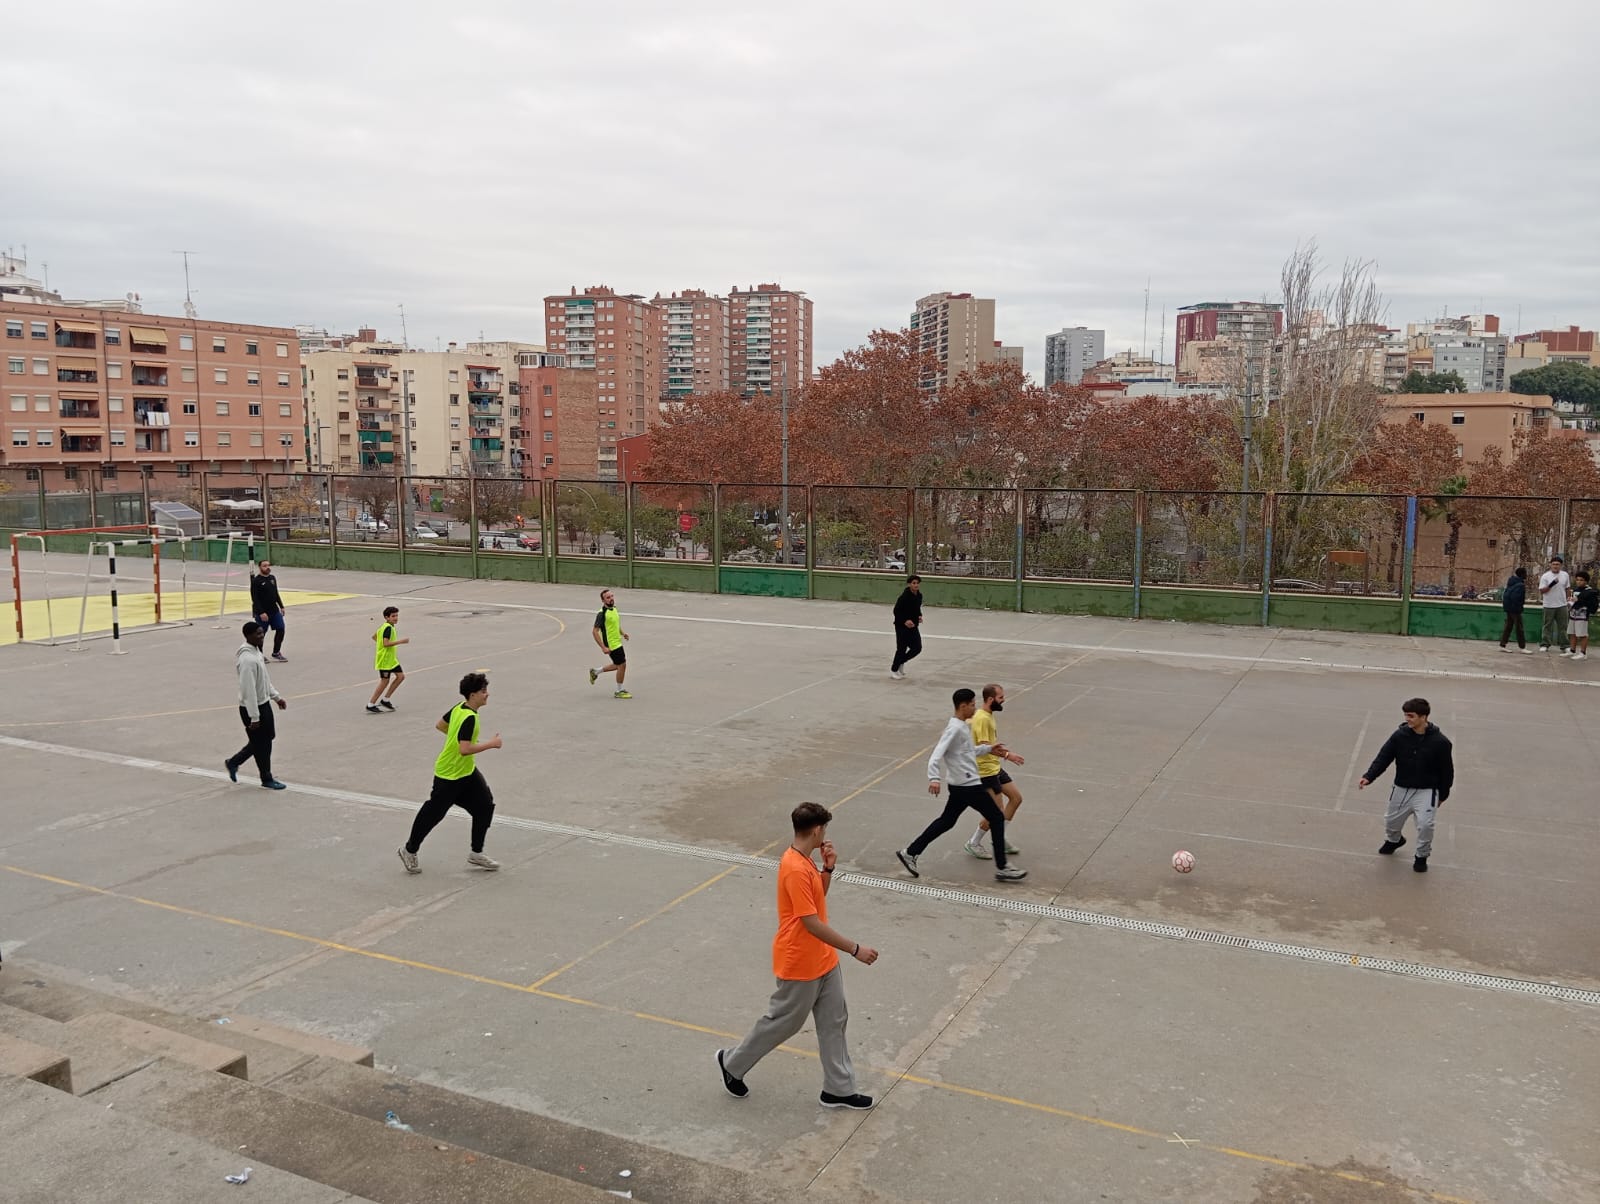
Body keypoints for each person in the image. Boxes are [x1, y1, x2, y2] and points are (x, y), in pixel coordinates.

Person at [717, 802, 878, 1110]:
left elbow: (816, 899)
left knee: (834, 1021)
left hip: (824, 959)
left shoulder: (806, 861)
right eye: (825, 829)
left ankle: (838, 1089)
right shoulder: (793, 867)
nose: (825, 834)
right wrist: (855, 949)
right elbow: (811, 923)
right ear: (816, 830)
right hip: (800, 961)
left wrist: (827, 869)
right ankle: (732, 1064)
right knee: (784, 1022)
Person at [898, 689, 1027, 882]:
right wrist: (934, 778)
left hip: (960, 785)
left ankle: (910, 852)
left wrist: (988, 748)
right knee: (996, 817)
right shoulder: (954, 729)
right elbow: (936, 755)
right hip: (967, 785)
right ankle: (1002, 867)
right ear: (963, 706)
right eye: (972, 705)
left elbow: (967, 751)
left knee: (947, 821)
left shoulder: (962, 726)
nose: (975, 708)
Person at [397, 672, 502, 874]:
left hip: (467, 772)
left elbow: (441, 725)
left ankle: (476, 853)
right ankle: (409, 850)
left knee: (485, 806)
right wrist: (491, 743)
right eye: (483, 691)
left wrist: (457, 738)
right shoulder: (469, 717)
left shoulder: (460, 707)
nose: (487, 694)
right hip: (450, 774)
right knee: (433, 814)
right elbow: (464, 749)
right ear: (472, 695)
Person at [1357, 697, 1454, 873]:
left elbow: (1447, 771)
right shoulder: (1399, 736)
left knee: (1425, 825)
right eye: (1405, 715)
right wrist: (1369, 776)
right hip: (1401, 788)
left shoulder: (1441, 743)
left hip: (1427, 791)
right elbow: (1384, 757)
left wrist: (1443, 795)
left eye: (1411, 716)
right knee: (1390, 822)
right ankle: (1395, 840)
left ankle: (1421, 857)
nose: (1407, 719)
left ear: (1423, 717)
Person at [964, 683, 1026, 860]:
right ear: (990, 699)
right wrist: (1008, 755)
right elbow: (986, 747)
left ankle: (999, 838)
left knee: (1016, 798)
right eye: (1001, 697)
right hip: (985, 771)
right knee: (996, 812)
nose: (1004, 700)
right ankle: (973, 843)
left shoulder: (987, 715)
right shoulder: (982, 719)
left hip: (995, 767)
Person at [225, 620, 287, 790]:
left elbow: (264, 680)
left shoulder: (256, 652)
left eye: (262, 633)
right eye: (258, 634)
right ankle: (266, 778)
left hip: (263, 703)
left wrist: (276, 697)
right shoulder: (247, 660)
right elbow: (249, 691)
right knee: (263, 743)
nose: (261, 636)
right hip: (252, 708)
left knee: (266, 738)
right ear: (248, 636)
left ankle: (234, 762)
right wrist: (254, 716)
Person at [589, 588, 631, 699]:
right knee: (622, 665)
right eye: (608, 597)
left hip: (617, 641)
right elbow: (595, 631)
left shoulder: (614, 609)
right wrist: (603, 647)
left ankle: (595, 672)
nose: (611, 599)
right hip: (611, 644)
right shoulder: (602, 614)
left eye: (612, 596)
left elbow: (615, 625)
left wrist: (623, 633)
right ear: (603, 601)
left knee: (618, 664)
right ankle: (619, 691)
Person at [366, 606, 409, 713]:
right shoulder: (388, 628)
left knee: (400, 677)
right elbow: (386, 644)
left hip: (391, 660)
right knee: (384, 681)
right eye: (393, 616)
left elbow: (374, 637)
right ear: (387, 617)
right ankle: (371, 704)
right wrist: (401, 642)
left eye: (396, 615)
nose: (396, 618)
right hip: (385, 660)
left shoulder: (385, 626)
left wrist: (380, 645)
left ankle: (385, 700)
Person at [250, 559, 288, 662]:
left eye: (268, 565)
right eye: (264, 566)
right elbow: (255, 599)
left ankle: (276, 652)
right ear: (260, 567)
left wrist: (281, 606)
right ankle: (259, 654)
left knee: (281, 629)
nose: (267, 567)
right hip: (262, 612)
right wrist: (261, 612)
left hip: (274, 610)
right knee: (260, 634)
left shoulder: (272, 578)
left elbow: (276, 593)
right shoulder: (256, 581)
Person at [889, 574, 923, 680]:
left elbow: (917, 608)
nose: (916, 585)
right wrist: (905, 620)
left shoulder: (919, 596)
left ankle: (901, 662)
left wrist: (919, 616)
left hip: (913, 626)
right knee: (901, 649)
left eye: (917, 583)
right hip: (901, 627)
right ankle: (894, 670)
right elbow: (896, 611)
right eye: (914, 583)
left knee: (917, 648)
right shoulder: (904, 597)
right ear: (909, 584)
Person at [1537, 554, 1570, 653]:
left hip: (1562, 605)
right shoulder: (1545, 576)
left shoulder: (1565, 575)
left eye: (1558, 564)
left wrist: (1568, 600)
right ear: (1550, 565)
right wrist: (1551, 584)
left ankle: (1565, 645)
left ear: (1561, 565)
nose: (1555, 566)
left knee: (1563, 626)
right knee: (1547, 626)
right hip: (1549, 605)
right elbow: (1542, 591)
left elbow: (1567, 588)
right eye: (1554, 564)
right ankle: (1545, 644)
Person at [1498, 567, 1530, 653]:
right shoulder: (1520, 585)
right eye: (1525, 573)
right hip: (1515, 609)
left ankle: (1502, 645)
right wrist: (1519, 607)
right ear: (1522, 574)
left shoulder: (1511, 582)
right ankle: (1522, 647)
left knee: (1508, 626)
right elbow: (1516, 598)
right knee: (1519, 628)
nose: (1527, 575)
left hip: (1508, 607)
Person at [1567, 571, 1597, 661]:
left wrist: (1579, 601)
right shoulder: (1575, 590)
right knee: (1572, 633)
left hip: (1582, 616)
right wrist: (1570, 601)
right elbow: (1574, 602)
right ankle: (1572, 650)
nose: (1579, 582)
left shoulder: (1590, 592)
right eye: (1577, 580)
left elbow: (1592, 605)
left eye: (1581, 580)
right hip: (1573, 614)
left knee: (1582, 634)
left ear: (1586, 581)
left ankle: (1583, 653)